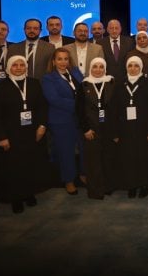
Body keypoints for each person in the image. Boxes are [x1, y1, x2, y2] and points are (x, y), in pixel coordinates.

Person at [0, 55, 49, 213]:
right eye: (15, 65)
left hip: (32, 132)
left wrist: (42, 126)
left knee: (30, 164)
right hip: (10, 134)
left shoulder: (35, 84)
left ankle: (28, 193)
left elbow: (42, 107)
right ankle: (16, 198)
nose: (19, 68)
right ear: (9, 68)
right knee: (13, 167)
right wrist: (1, 137)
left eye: (22, 65)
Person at [111, 56, 148, 198]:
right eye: (130, 65)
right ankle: (132, 185)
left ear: (141, 67)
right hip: (125, 128)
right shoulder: (119, 84)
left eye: (136, 65)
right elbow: (114, 109)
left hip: (143, 128)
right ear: (126, 67)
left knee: (144, 157)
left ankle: (144, 184)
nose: (133, 68)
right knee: (128, 157)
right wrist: (115, 133)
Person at [41, 48, 84, 195]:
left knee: (84, 147)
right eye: (59, 59)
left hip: (79, 119)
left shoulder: (76, 73)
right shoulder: (48, 78)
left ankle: (83, 174)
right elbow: (54, 100)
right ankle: (69, 180)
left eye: (66, 59)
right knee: (66, 151)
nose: (63, 62)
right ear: (53, 61)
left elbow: (85, 90)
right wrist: (79, 105)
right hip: (61, 120)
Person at [78, 58, 120, 200]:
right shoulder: (84, 85)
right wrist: (86, 129)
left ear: (105, 69)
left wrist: (115, 130)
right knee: (93, 162)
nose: (98, 70)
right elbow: (79, 110)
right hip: (92, 130)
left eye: (101, 67)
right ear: (91, 68)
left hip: (108, 129)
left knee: (108, 159)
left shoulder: (111, 83)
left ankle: (108, 187)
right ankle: (95, 191)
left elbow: (116, 109)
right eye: (95, 67)